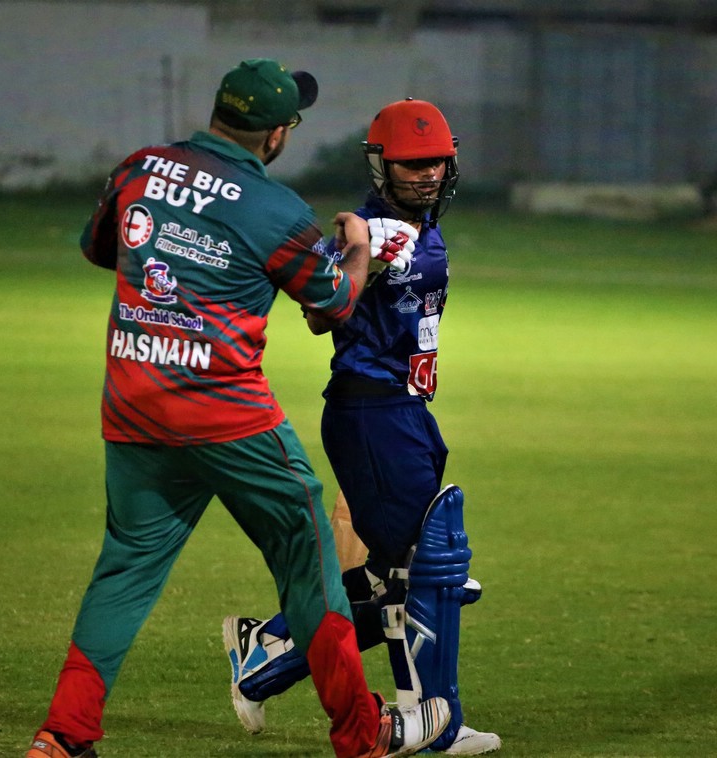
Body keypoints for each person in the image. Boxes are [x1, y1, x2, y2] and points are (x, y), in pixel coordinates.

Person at [25, 62, 451, 758]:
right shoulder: (276, 211)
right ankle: (360, 731)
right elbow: (334, 305)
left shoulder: (140, 168)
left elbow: (100, 248)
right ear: (277, 135)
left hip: (134, 403)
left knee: (125, 569)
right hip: (227, 414)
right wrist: (357, 248)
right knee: (309, 561)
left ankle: (63, 736)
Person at [222, 99, 500, 755]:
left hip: (407, 410)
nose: (426, 174)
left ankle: (268, 653)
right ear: (381, 165)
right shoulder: (368, 228)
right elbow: (319, 314)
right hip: (371, 410)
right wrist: (364, 255)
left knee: (395, 579)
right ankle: (432, 722)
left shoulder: (421, 227)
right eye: (411, 164)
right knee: (427, 568)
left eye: (435, 162)